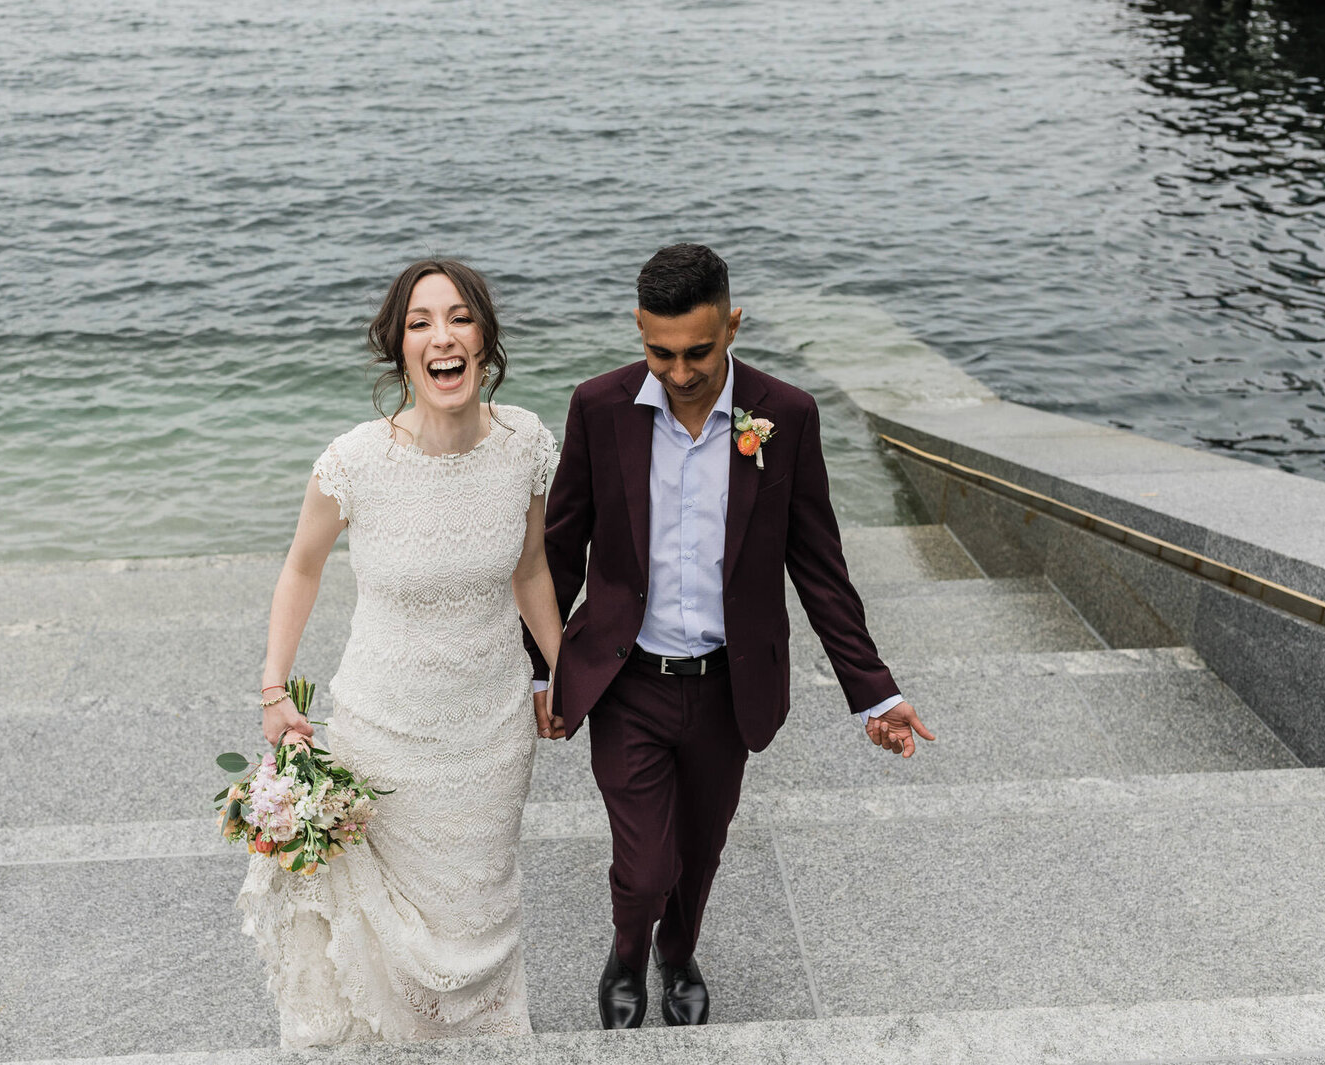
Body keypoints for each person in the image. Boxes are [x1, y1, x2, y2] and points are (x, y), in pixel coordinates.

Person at [525, 243, 934, 1030]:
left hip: (727, 686)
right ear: (639, 332)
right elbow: (558, 551)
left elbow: (819, 568)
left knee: (702, 851)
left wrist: (875, 691)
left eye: (699, 352)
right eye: (659, 351)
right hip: (627, 681)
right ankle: (626, 947)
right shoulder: (598, 407)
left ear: (733, 323)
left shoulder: (788, 415)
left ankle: (678, 953)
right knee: (646, 865)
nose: (678, 372)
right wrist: (540, 670)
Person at [238, 259, 565, 1046]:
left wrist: (561, 672)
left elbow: (530, 570)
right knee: (377, 944)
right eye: (420, 322)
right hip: (382, 735)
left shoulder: (525, 444)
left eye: (458, 318)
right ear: (400, 347)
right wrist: (273, 686)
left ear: (484, 337)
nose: (441, 336)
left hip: (488, 737)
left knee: (479, 918)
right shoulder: (354, 462)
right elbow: (302, 566)